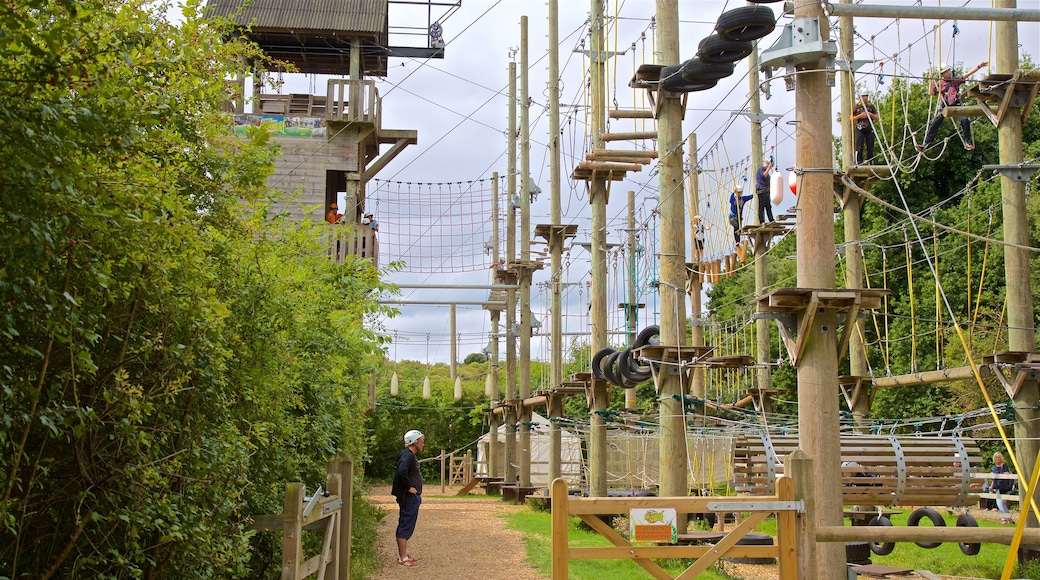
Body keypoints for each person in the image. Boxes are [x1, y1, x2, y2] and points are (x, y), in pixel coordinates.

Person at [917, 61, 988, 152]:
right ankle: (925, 143)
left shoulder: (955, 80)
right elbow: (931, 93)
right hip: (944, 105)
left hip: (956, 103)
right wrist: (930, 80)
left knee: (965, 120)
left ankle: (967, 141)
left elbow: (967, 74)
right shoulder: (940, 83)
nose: (950, 72)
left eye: (950, 70)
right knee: (935, 123)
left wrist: (978, 66)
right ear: (943, 74)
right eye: (947, 71)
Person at [392, 429, 425, 566]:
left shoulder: (408, 455)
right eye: (422, 442)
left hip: (411, 497)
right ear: (415, 442)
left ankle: (403, 554)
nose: (423, 445)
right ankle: (403, 558)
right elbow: (401, 471)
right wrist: (408, 487)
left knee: (407, 523)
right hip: (409, 497)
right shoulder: (408, 456)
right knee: (406, 524)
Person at [851, 92, 879, 164]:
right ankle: (858, 162)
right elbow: (851, 118)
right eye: (863, 96)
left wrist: (870, 114)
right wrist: (860, 116)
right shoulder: (857, 107)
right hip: (860, 128)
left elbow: (877, 118)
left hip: (869, 129)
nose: (865, 98)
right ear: (860, 97)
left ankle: (870, 161)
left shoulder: (871, 107)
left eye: (866, 96)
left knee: (870, 146)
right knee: (859, 146)